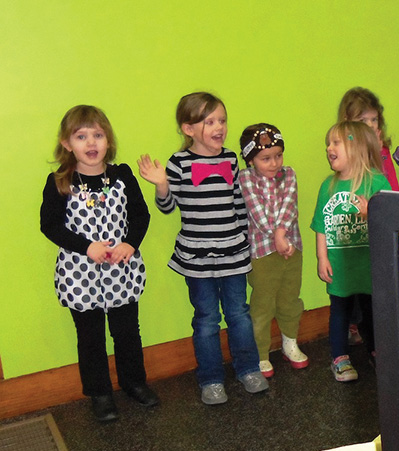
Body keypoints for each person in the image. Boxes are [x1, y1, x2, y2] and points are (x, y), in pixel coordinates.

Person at [137, 92, 268, 405]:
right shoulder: (179, 162)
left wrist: (246, 239)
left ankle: (248, 368)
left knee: (239, 314)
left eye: (221, 120)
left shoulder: (231, 159)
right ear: (189, 129)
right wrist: (161, 184)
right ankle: (210, 379)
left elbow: (239, 204)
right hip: (196, 256)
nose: (218, 126)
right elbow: (167, 207)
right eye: (209, 121)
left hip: (233, 253)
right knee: (207, 319)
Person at [40, 105, 159, 422]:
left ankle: (134, 383)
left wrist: (130, 243)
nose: (91, 143)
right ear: (67, 143)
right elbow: (50, 225)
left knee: (127, 332)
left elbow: (140, 215)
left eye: (97, 135)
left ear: (108, 140)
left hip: (121, 269)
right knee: (90, 337)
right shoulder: (60, 181)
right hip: (81, 273)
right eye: (81, 136)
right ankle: (100, 394)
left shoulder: (121, 176)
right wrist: (86, 246)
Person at [311, 121, 391, 381]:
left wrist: (371, 212)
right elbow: (321, 225)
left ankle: (377, 350)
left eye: (336, 142)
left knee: (371, 311)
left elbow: (389, 221)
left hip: (369, 264)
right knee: (340, 312)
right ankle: (339, 357)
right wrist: (322, 257)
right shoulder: (328, 186)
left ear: (357, 148)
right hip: (340, 265)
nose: (328, 147)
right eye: (329, 143)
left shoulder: (377, 182)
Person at [237, 123, 308, 378]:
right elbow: (258, 214)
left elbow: (290, 205)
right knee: (262, 305)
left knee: (290, 300)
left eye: (278, 155)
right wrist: (277, 235)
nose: (274, 162)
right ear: (251, 159)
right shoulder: (245, 178)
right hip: (263, 254)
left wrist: (283, 236)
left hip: (292, 248)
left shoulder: (289, 174)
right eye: (266, 158)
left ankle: (290, 342)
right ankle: (261, 353)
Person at [336, 87, 399, 347]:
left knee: (378, 283)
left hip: (381, 223)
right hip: (359, 231)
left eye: (374, 120)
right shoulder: (348, 160)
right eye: (364, 121)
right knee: (356, 283)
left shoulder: (383, 153)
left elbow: (392, 188)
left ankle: (377, 332)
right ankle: (355, 324)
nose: (371, 126)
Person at [337, 87, 399, 192]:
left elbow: (391, 186)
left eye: (374, 119)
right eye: (362, 120)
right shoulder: (345, 148)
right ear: (347, 121)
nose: (370, 125)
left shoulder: (382, 148)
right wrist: (372, 152)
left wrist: (378, 153)